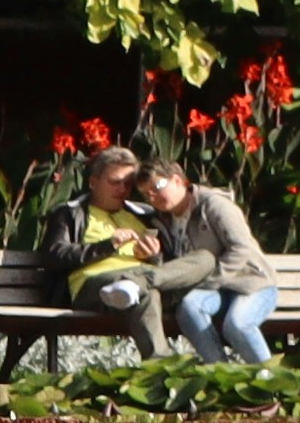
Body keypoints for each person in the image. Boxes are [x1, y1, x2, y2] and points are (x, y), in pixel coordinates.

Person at [139, 143, 277, 367]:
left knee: (237, 325)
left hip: (252, 283)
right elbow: (177, 267)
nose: (153, 196)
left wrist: (211, 281)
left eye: (157, 187)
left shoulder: (214, 205)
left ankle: (271, 381)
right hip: (215, 292)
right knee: (188, 308)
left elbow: (241, 248)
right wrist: (155, 258)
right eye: (146, 194)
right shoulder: (161, 222)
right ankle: (220, 373)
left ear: (178, 180)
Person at [40, 146, 166, 358]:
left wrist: (154, 255)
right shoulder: (71, 213)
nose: (123, 189)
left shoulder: (144, 215)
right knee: (143, 292)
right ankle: (164, 369)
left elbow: (166, 259)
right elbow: (53, 255)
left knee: (197, 266)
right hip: (93, 285)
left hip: (144, 283)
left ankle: (189, 370)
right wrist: (107, 246)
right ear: (93, 181)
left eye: (128, 184)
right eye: (115, 182)